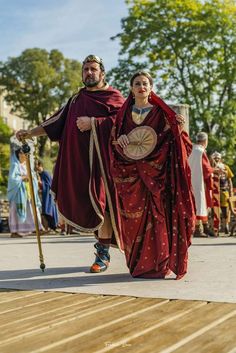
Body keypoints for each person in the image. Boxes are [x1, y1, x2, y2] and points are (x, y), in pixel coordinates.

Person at [16, 55, 125, 271]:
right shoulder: (76, 99)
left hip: (105, 165)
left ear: (102, 73)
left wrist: (94, 123)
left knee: (105, 206)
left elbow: (124, 121)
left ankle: (102, 255)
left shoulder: (114, 96)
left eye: (93, 69)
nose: (89, 73)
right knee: (94, 206)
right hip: (81, 165)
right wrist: (30, 132)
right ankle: (103, 252)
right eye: (85, 69)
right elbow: (56, 121)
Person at [106, 71, 195, 279]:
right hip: (130, 175)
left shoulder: (161, 112)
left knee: (159, 219)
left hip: (156, 176)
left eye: (145, 83)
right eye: (137, 83)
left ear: (151, 87)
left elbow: (173, 141)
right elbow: (114, 141)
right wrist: (121, 142)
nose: (141, 87)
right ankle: (138, 264)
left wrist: (178, 128)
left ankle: (159, 265)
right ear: (131, 88)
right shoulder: (123, 114)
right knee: (133, 222)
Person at [7, 147, 42, 237]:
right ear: (18, 155)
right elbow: (12, 179)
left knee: (31, 211)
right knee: (15, 211)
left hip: (27, 192)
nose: (24, 156)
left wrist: (31, 178)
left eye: (25, 154)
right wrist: (23, 177)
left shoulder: (27, 165)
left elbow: (32, 177)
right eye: (22, 153)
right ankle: (14, 232)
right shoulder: (15, 165)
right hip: (18, 193)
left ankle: (35, 229)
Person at [188, 132, 216, 237]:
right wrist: (215, 170)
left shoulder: (190, 149)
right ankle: (199, 230)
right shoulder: (200, 151)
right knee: (200, 204)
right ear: (205, 141)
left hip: (190, 181)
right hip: (199, 181)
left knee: (195, 205)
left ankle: (204, 227)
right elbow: (206, 168)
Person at [211, 152, 234, 234]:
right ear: (212, 159)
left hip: (224, 191)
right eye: (215, 158)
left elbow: (229, 180)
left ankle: (226, 226)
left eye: (218, 158)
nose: (216, 159)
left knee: (225, 210)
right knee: (215, 211)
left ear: (220, 158)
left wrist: (231, 191)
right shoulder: (210, 168)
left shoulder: (225, 167)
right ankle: (215, 228)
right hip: (214, 192)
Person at [36, 160, 58, 232]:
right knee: (45, 213)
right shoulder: (40, 174)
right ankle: (49, 227)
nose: (37, 168)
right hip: (44, 196)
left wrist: (40, 183)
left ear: (41, 166)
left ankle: (52, 227)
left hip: (48, 196)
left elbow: (48, 185)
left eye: (38, 166)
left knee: (48, 211)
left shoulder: (45, 173)